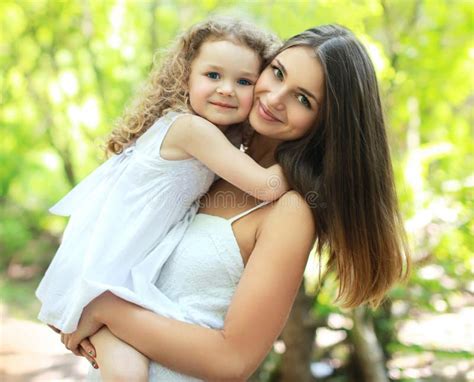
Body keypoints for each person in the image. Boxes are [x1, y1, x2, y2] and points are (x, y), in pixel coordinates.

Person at [57, 24, 410, 381]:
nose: (274, 98)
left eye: (303, 99)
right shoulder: (201, 168)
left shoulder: (290, 211)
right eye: (277, 73)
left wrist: (106, 310)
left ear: (326, 124)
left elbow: (232, 362)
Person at [36, 18, 286, 381]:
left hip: (119, 270)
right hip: (109, 269)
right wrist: (303, 161)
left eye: (244, 81)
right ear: (186, 76)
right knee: (129, 375)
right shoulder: (192, 129)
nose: (227, 90)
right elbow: (265, 186)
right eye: (213, 75)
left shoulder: (211, 136)